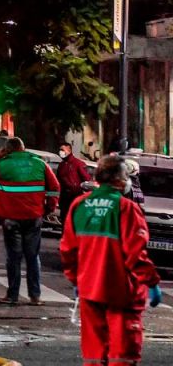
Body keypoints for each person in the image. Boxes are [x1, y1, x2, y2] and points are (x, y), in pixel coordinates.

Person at [60, 155, 162, 366]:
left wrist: (76, 280)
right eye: (126, 176)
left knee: (95, 351)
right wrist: (151, 282)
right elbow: (136, 254)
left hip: (89, 290)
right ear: (118, 179)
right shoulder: (126, 208)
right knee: (122, 354)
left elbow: (68, 250)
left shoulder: (80, 205)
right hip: (121, 292)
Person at [0, 137, 60, 306]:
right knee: (32, 256)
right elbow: (55, 187)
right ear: (23, 148)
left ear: (8, 150)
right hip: (34, 217)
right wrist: (49, 208)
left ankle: (12, 295)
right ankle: (35, 296)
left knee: (13, 257)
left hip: (11, 218)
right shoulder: (39, 164)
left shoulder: (3, 164)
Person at [56, 142, 91, 225]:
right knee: (64, 220)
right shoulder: (61, 165)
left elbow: (87, 180)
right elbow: (58, 180)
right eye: (60, 150)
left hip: (75, 196)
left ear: (69, 150)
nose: (60, 152)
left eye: (62, 150)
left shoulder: (78, 164)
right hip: (64, 197)